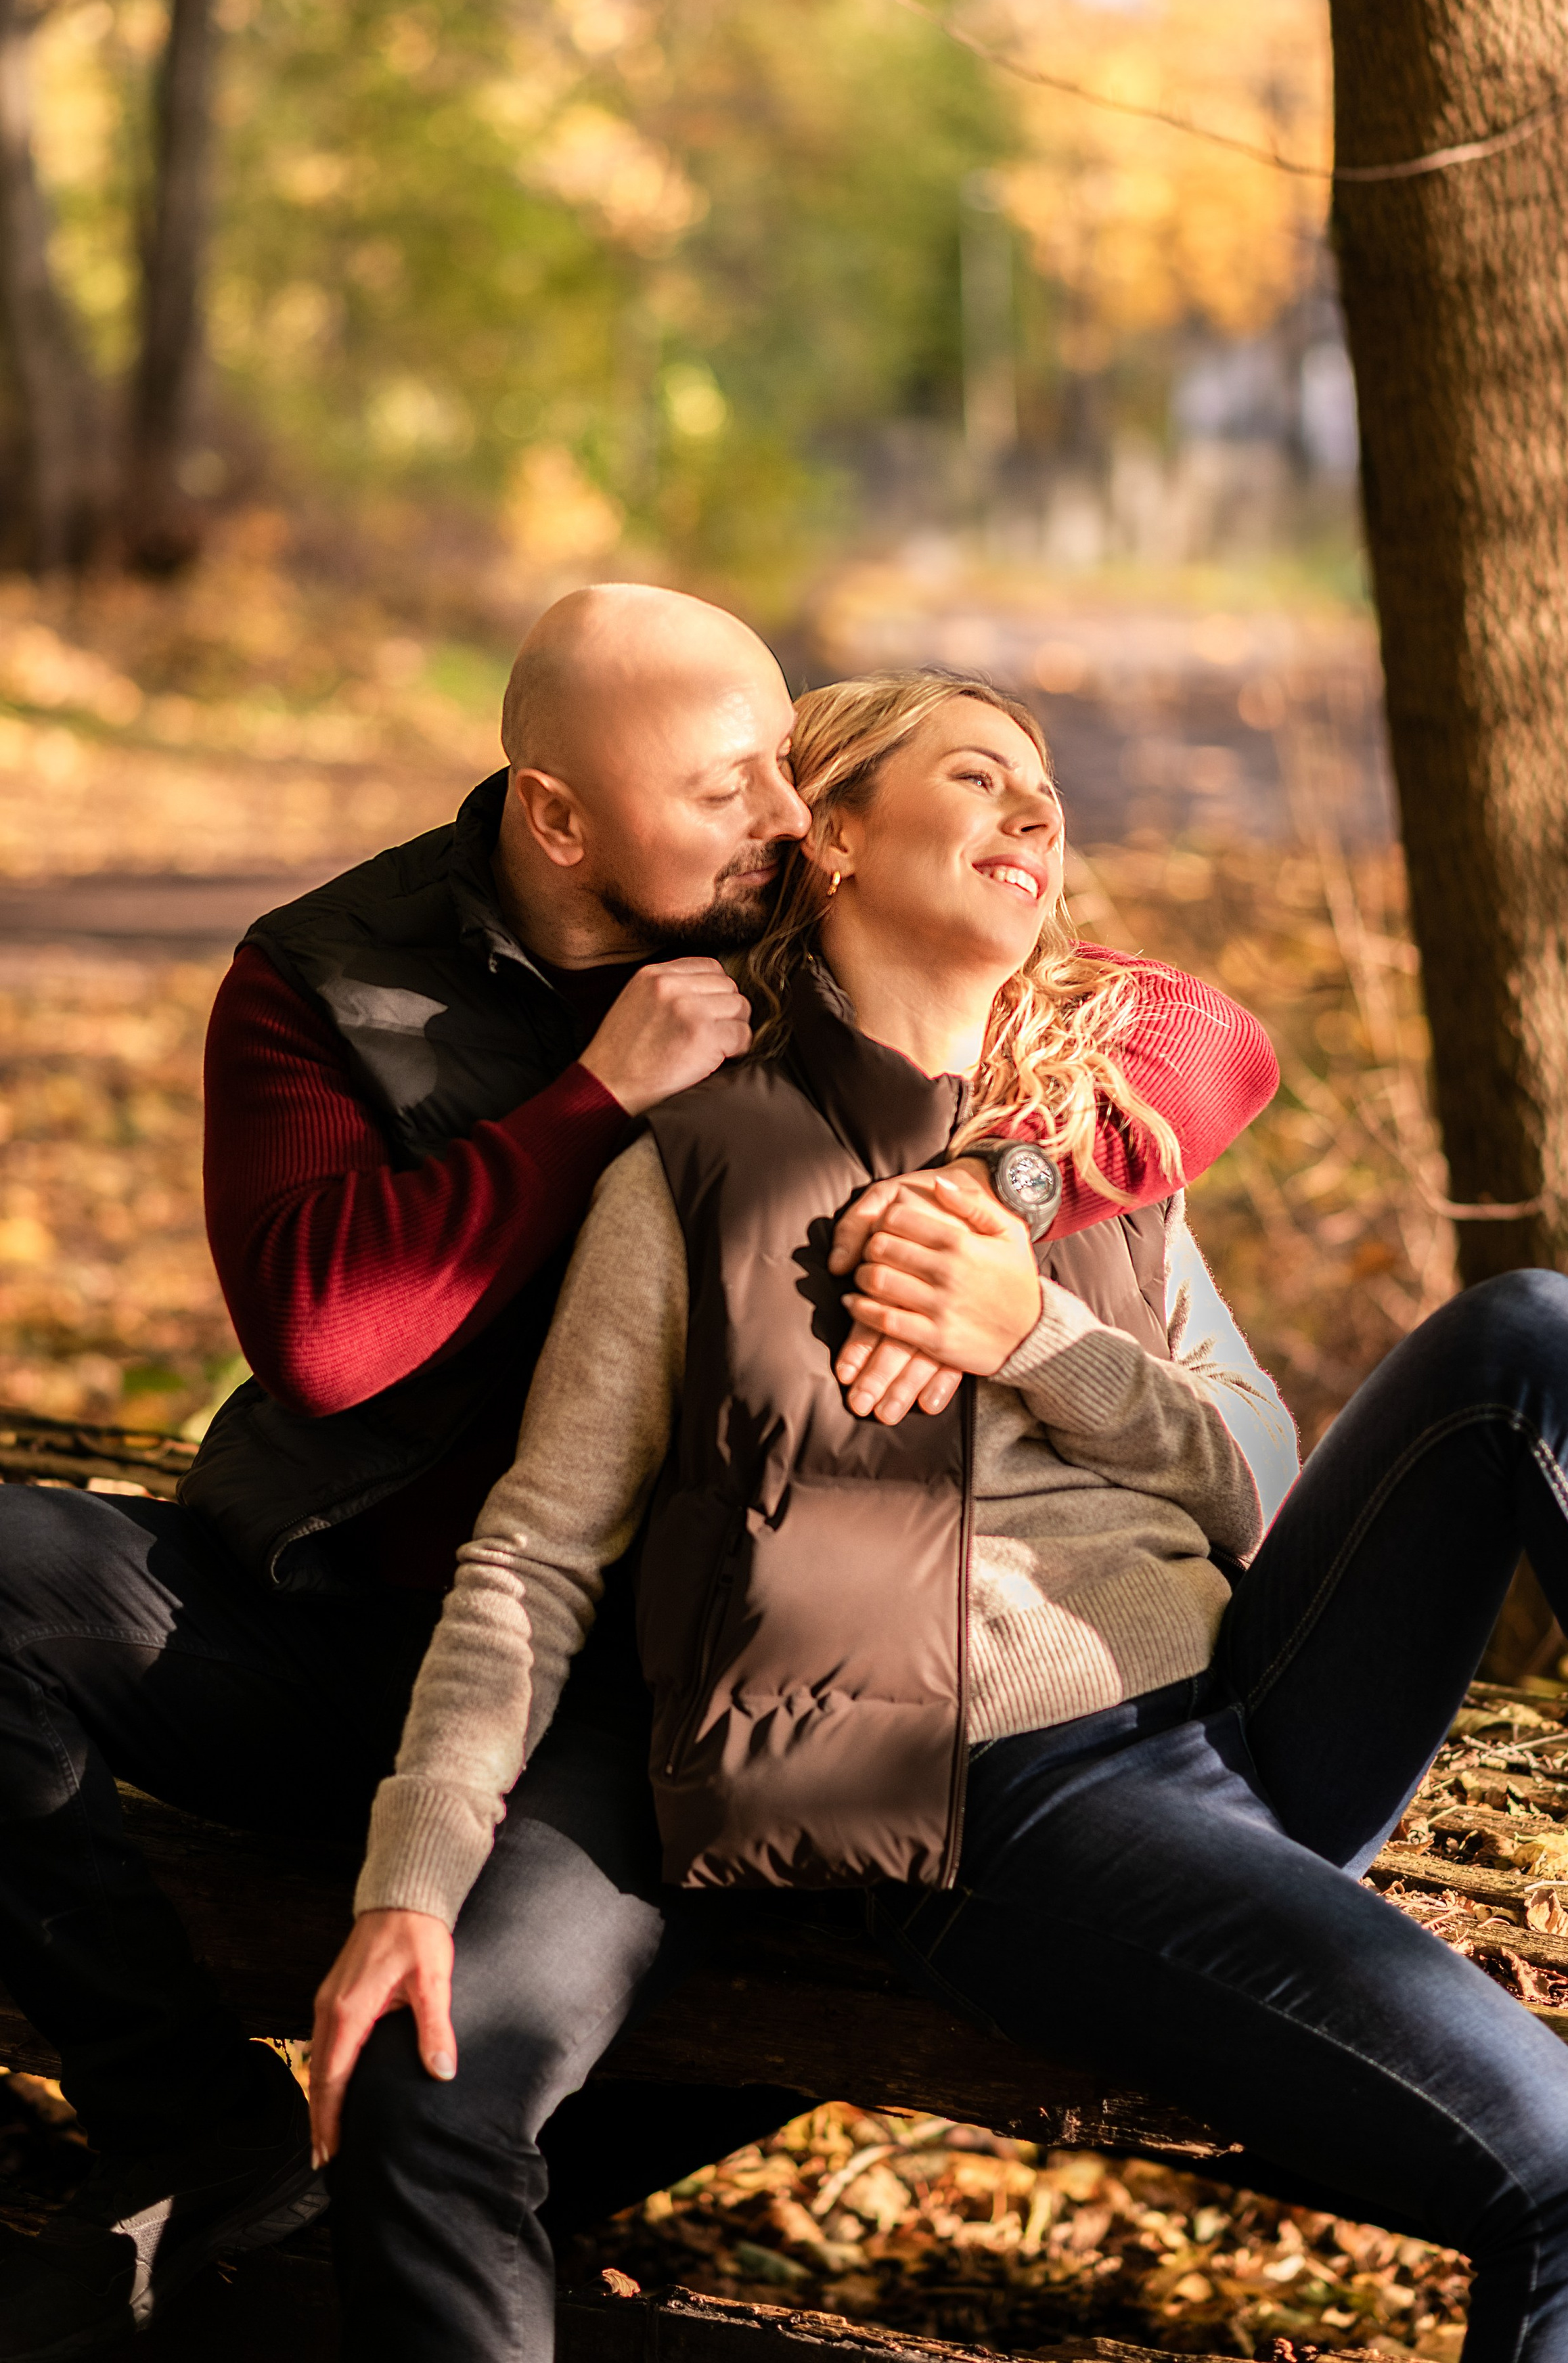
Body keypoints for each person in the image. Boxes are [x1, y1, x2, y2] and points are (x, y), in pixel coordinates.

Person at [317, 664, 1568, 2363]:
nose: (1035, 811)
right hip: (1023, 1799)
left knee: (1531, 1339)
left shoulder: (1094, 1138)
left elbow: (1253, 1483)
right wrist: (412, 1874)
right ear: (826, 836)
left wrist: (1036, 1339)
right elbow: (537, 1556)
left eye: (1044, 787)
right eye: (978, 777)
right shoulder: (693, 1176)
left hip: (1259, 1707)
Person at [0, 597, 1277, 2361]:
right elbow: (325, 1338)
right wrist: (588, 1103)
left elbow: (1206, 1037)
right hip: (355, 1619)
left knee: (479, 2067)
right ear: (557, 815)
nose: (777, 817)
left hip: (662, 1659)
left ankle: (432, 2232)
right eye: (723, 789)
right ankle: (179, 2131)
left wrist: (1003, 1194)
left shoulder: (784, 916)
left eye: (786, 772)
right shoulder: (331, 980)